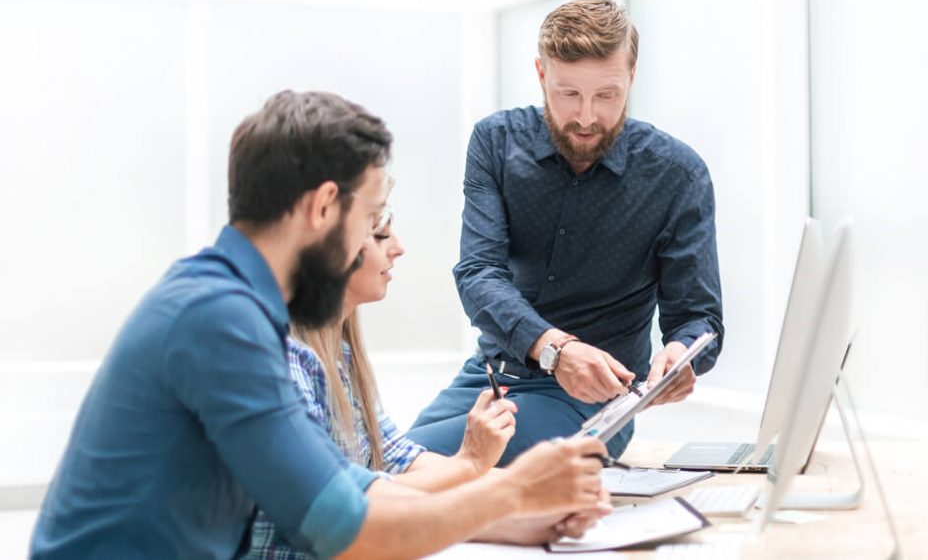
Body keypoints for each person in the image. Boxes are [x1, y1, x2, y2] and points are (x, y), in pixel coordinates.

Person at [30, 90, 610, 559]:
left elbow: (355, 493)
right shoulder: (219, 321)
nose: (373, 241)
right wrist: (512, 488)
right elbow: (348, 530)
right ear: (324, 206)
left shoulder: (231, 309)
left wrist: (514, 517)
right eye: (371, 218)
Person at [408, 0, 724, 465]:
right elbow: (478, 273)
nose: (586, 117)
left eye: (607, 95)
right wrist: (556, 350)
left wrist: (681, 355)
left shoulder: (677, 174)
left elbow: (698, 317)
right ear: (541, 75)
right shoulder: (495, 144)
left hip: (593, 405)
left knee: (413, 469)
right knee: (384, 463)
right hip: (490, 377)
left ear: (631, 77)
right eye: (568, 93)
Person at [248, 214, 603, 557]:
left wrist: (520, 515)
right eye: (380, 234)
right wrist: (497, 484)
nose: (399, 248)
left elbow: (396, 461)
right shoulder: (286, 365)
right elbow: (351, 506)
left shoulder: (339, 356)